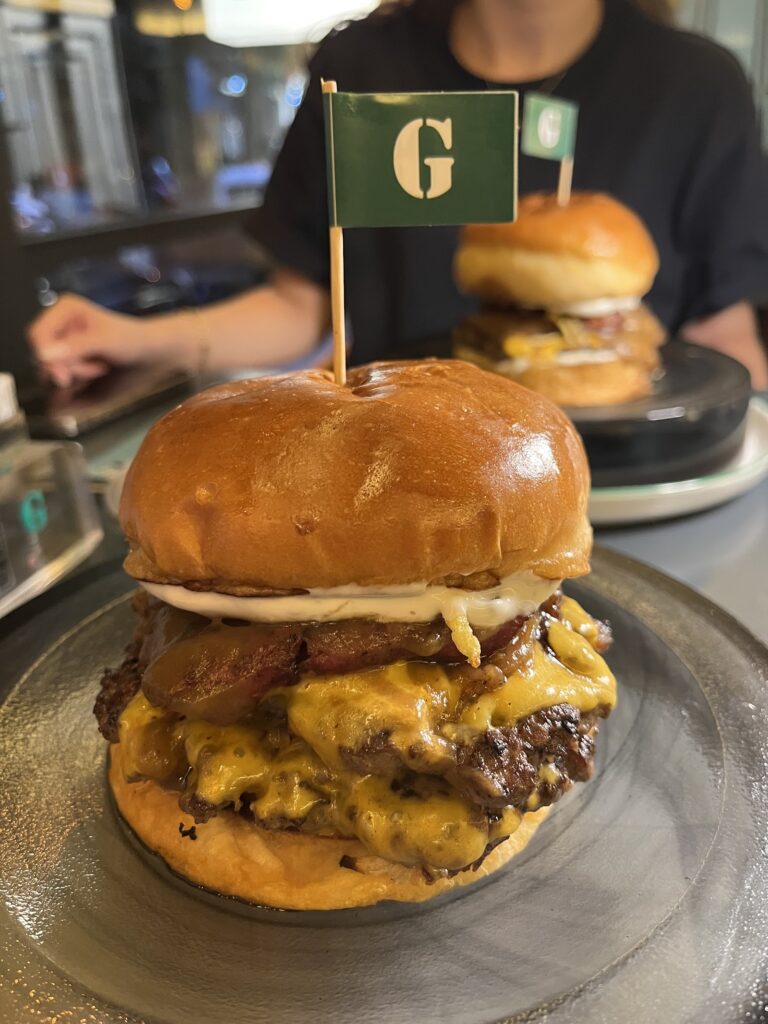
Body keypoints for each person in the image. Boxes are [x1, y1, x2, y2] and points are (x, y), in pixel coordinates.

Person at [31, 0, 768, 387]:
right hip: (405, 471)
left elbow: (721, 330)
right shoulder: (359, 66)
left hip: (628, 466)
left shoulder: (699, 84)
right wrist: (140, 340)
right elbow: (302, 305)